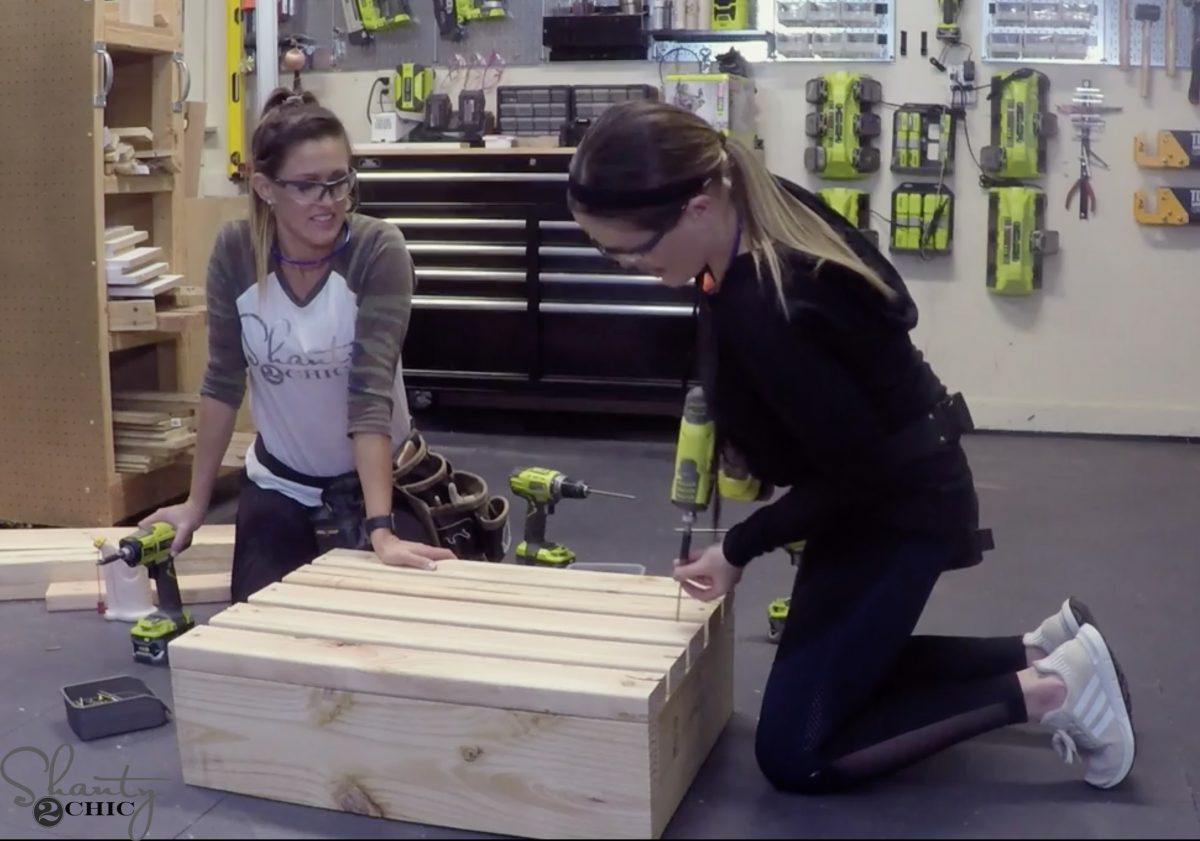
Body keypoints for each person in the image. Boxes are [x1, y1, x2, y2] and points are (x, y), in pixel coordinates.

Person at [565, 99, 1135, 793]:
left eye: (632, 249)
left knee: (795, 751)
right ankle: (1038, 648)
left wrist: (738, 548)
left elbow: (859, 474)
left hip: (900, 509)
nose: (628, 265)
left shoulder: (766, 303)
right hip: (879, 488)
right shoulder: (757, 212)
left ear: (697, 208)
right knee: (832, 678)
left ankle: (1054, 689)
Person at [140, 88, 457, 603]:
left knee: (392, 622)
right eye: (308, 186)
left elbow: (370, 393)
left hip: (382, 479)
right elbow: (221, 384)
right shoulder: (236, 252)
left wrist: (380, 528)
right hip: (280, 482)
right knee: (259, 624)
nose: (328, 201)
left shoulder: (378, 251)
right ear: (265, 187)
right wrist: (196, 504)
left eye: (339, 182)